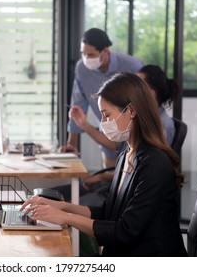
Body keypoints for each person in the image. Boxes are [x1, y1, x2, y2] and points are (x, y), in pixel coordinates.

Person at [21, 72, 187, 256]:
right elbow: (108, 212)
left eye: (107, 115)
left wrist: (66, 218)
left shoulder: (154, 163)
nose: (103, 123)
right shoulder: (127, 152)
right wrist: (60, 206)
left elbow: (124, 231)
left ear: (131, 111)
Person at [74, 64, 179, 197]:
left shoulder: (161, 134)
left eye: (138, 85)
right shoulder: (128, 149)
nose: (132, 90)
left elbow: (142, 175)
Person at [60, 28, 143, 168]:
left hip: (136, 143)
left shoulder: (131, 65)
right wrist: (71, 144)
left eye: (91, 54)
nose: (86, 59)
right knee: (109, 184)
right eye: (83, 54)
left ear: (105, 51)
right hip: (108, 142)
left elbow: (145, 103)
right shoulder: (82, 69)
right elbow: (77, 106)